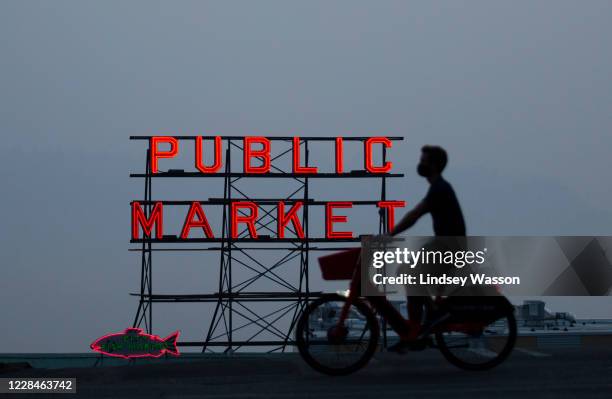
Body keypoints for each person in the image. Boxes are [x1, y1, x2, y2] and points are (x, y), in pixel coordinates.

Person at [388, 145, 466, 351]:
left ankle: (420, 325)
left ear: (434, 165)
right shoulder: (438, 187)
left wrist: (389, 234)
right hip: (445, 245)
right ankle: (422, 322)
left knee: (408, 271)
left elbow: (415, 214)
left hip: (448, 247)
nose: (420, 164)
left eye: (424, 161)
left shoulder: (439, 188)